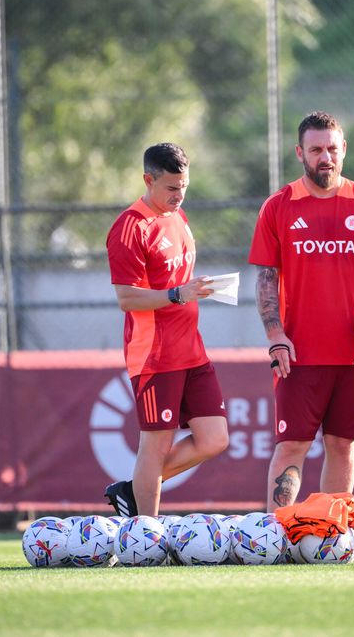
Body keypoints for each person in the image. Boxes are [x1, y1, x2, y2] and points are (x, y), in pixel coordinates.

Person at [248, 111, 354, 510]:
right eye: (316, 149)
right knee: (292, 445)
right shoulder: (278, 206)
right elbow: (265, 278)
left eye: (332, 148)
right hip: (299, 354)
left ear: (344, 150)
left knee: (342, 445)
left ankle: (332, 533)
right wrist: (275, 335)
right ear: (300, 153)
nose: (325, 157)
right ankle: (275, 535)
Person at [103, 142, 229, 518]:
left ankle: (131, 490)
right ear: (148, 180)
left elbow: (176, 281)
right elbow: (127, 299)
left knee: (214, 439)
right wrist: (178, 294)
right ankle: (145, 533)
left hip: (192, 351)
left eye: (184, 186)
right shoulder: (129, 228)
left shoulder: (179, 218)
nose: (179, 195)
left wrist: (195, 289)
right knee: (154, 447)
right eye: (171, 188)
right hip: (155, 356)